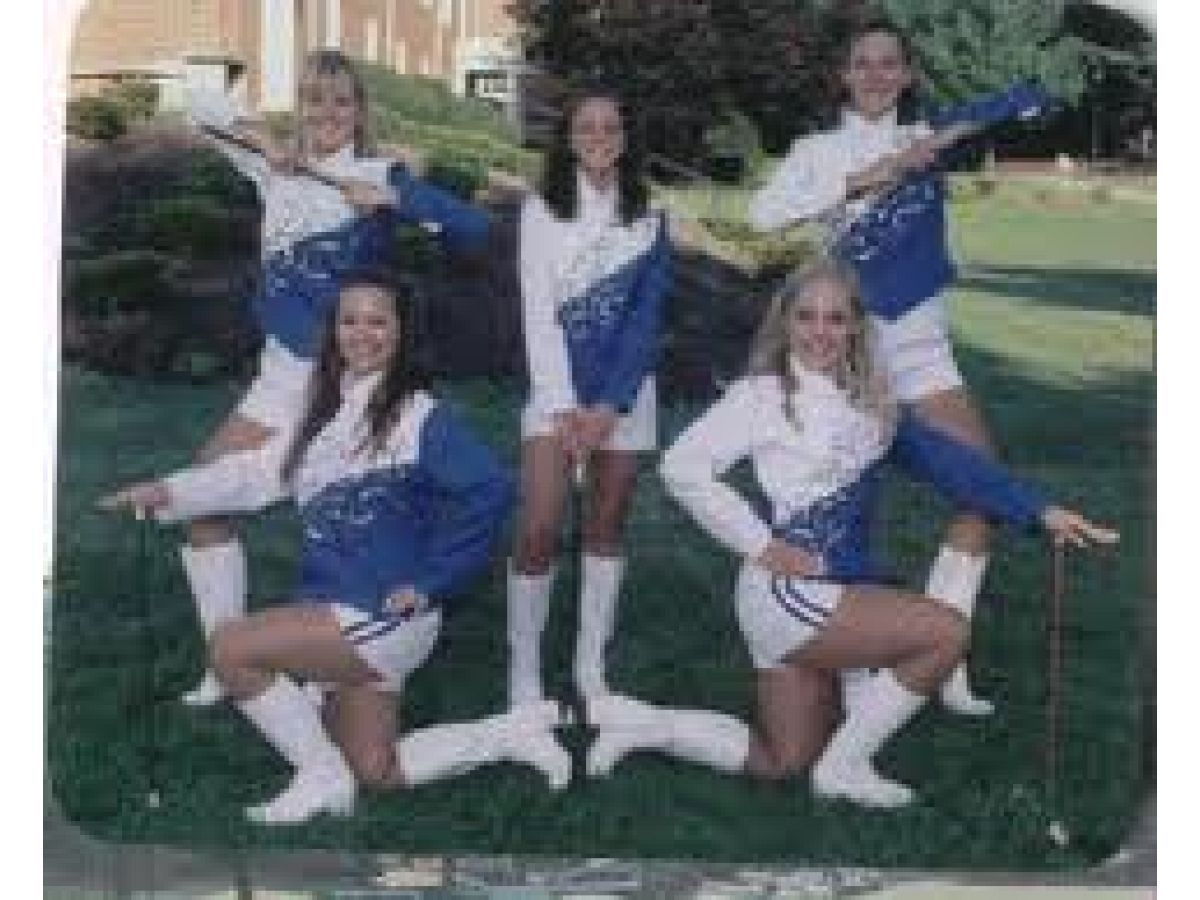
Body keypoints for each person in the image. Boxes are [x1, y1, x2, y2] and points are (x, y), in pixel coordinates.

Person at [584, 260, 1117, 809]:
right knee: (945, 633)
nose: (820, 332)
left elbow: (950, 463)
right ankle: (845, 769)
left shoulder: (873, 403)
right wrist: (761, 544)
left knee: (783, 759)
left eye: (836, 319)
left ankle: (644, 727)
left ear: (857, 327)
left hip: (824, 593)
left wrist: (1040, 511)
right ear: (785, 322)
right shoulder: (761, 396)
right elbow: (682, 466)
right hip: (789, 594)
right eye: (806, 317)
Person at [100, 272, 569, 825]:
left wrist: (431, 581)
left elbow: (490, 490)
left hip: (380, 615)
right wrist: (168, 492)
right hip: (340, 610)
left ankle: (319, 777)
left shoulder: (419, 415)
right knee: (376, 769)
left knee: (231, 650)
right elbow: (256, 475)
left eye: (378, 321)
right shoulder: (322, 412)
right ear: (333, 331)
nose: (361, 334)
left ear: (402, 332)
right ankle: (510, 734)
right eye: (349, 321)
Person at [747, 15, 1051, 716]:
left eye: (890, 63)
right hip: (847, 353)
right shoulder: (817, 150)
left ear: (908, 74)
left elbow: (989, 112)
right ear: (843, 74)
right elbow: (764, 215)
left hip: (922, 349)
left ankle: (945, 651)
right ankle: (846, 650)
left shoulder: (927, 135)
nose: (876, 74)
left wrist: (1026, 98)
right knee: (837, 512)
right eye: (862, 62)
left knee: (983, 490)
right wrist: (869, 177)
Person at [175, 50, 490, 706]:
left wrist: (392, 198)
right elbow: (197, 100)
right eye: (315, 100)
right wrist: (260, 137)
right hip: (277, 378)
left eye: (341, 101)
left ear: (360, 112)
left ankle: (335, 649)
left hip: (341, 386)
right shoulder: (274, 167)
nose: (327, 113)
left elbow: (474, 227)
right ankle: (227, 659)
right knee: (202, 502)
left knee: (333, 525)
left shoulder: (376, 173)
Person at [507, 84, 672, 707]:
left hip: (623, 398)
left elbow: (646, 320)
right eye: (586, 127)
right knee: (539, 526)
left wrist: (609, 405)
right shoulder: (540, 211)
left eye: (611, 127)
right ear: (568, 138)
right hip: (556, 396)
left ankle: (589, 666)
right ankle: (524, 670)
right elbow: (537, 311)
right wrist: (563, 405)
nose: (599, 138)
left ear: (626, 139)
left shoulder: (650, 216)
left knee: (606, 526)